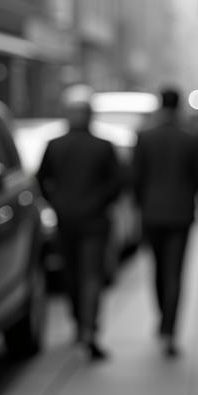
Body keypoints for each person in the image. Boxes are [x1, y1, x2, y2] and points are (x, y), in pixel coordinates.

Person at [38, 85, 122, 361]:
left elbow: (42, 182)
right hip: (93, 221)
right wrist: (98, 202)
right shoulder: (102, 146)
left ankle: (82, 325)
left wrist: (58, 203)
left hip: (70, 221)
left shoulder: (56, 145)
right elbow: (117, 184)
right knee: (88, 277)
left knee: (75, 276)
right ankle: (88, 327)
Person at [131, 87, 198, 357]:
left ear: (160, 105)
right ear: (180, 105)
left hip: (152, 213)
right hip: (181, 214)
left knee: (158, 270)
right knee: (175, 273)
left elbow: (136, 178)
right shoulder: (190, 139)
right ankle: (170, 329)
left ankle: (164, 320)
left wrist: (142, 205)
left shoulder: (145, 137)